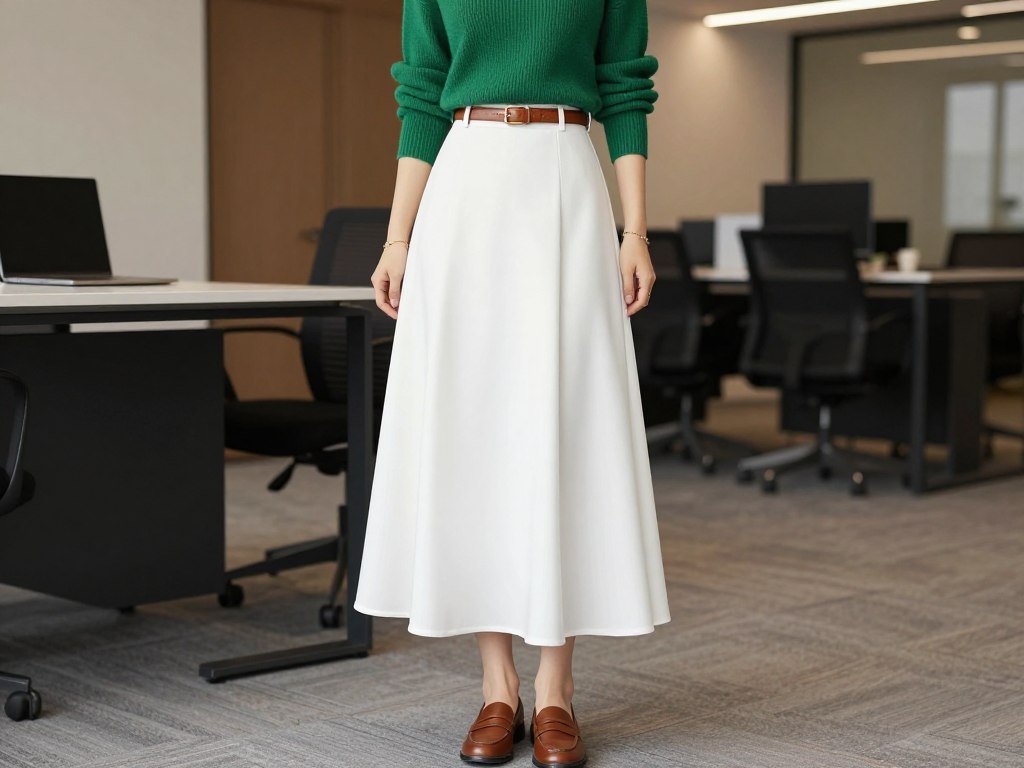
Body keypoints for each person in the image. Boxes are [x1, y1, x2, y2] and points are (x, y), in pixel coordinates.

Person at [352, 2, 671, 765]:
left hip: (565, 177)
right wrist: (398, 237)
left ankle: (557, 688)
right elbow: (422, 90)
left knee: (563, 428)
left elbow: (627, 89)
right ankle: (499, 687)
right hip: (465, 188)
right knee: (473, 434)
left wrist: (635, 230)